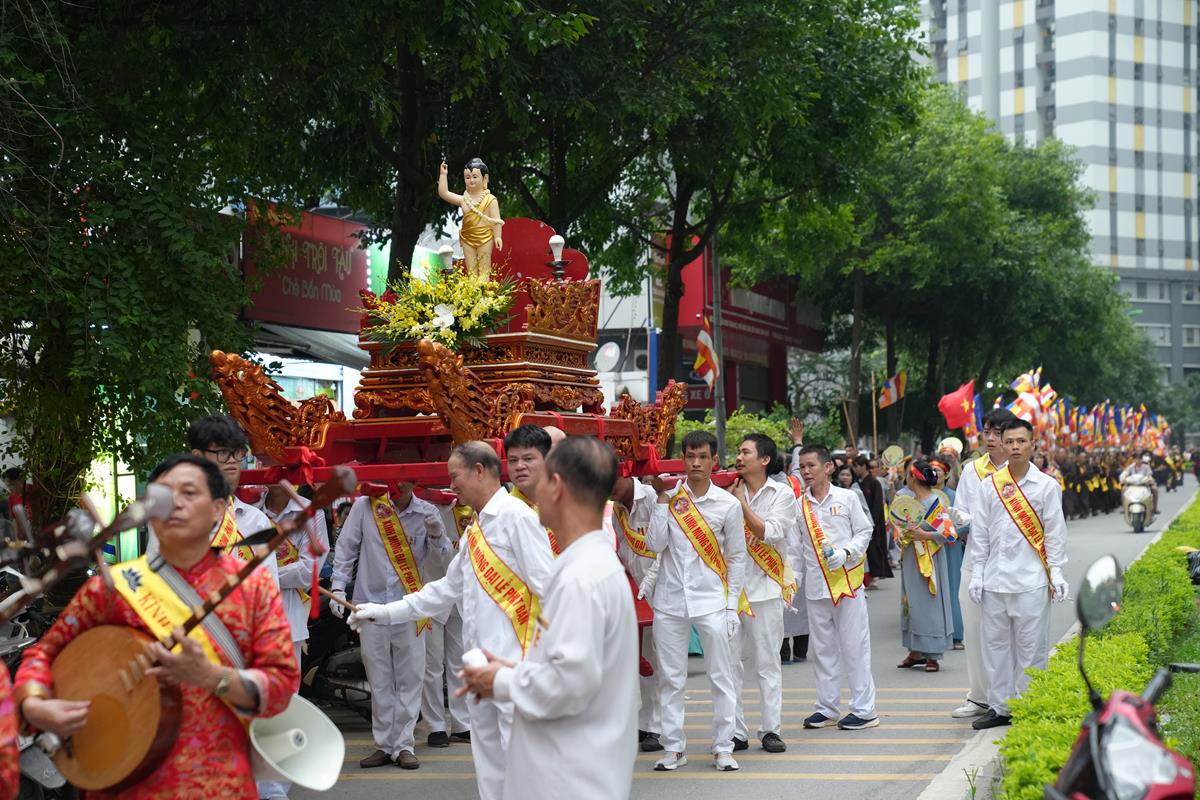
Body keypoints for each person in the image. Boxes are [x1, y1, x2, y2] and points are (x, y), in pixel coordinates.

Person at [16, 454, 299, 798]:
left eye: (189, 493)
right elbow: (43, 654)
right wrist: (34, 705)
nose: (173, 504)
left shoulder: (253, 589)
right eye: (162, 496)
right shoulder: (112, 588)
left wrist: (211, 676)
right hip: (121, 780)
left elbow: (281, 686)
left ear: (218, 509)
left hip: (219, 783)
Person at [347, 442, 555, 800]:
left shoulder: (517, 518)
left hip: (515, 665)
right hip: (478, 667)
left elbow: (550, 590)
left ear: (479, 471)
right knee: (489, 762)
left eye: (454, 476)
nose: (451, 485)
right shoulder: (476, 529)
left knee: (522, 763)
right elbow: (446, 589)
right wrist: (384, 612)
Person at [460, 436, 638, 800]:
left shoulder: (579, 578)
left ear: (556, 486)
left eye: (540, 476)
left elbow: (568, 683)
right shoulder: (590, 565)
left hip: (568, 779)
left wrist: (501, 680)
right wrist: (514, 669)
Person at [329, 481, 449, 770]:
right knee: (379, 677)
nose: (400, 483)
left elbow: (443, 564)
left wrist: (436, 534)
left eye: (406, 475)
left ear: (415, 479)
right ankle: (384, 745)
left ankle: (404, 745)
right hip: (369, 604)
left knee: (411, 677)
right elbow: (346, 547)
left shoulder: (426, 511)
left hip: (410, 606)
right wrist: (338, 587)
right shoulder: (365, 506)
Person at [646, 430, 747, 772]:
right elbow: (655, 544)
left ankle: (723, 746)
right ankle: (673, 747)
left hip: (712, 601)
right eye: (690, 456)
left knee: (721, 676)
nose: (696, 463)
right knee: (670, 678)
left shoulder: (728, 505)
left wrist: (732, 605)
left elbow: (737, 557)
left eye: (703, 456)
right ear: (683, 459)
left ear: (714, 460)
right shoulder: (670, 499)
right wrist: (661, 503)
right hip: (670, 601)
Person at [968, 418, 1069, 729]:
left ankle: (1028, 706)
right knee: (995, 647)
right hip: (995, 580)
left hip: (1031, 581)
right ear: (1002, 443)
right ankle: (1000, 708)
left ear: (1032, 445)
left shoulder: (1047, 486)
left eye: (1021, 441)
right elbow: (980, 533)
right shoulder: (990, 485)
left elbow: (1054, 532)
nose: (1014, 447)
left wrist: (1057, 571)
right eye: (1009, 441)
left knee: (1031, 649)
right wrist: (977, 572)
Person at [794, 444, 879, 730]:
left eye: (811, 465)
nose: (806, 471)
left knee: (855, 646)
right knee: (823, 650)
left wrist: (846, 553)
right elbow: (795, 548)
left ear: (828, 467)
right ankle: (827, 707)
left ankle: (864, 710)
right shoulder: (799, 506)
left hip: (847, 583)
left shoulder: (847, 498)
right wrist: (793, 580)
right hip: (816, 587)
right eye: (802, 466)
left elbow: (865, 530)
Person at [256, 483, 329, 800]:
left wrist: (265, 573)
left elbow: (309, 570)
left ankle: (274, 788)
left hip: (289, 623)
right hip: (247, 624)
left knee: (283, 708)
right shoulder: (248, 512)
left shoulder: (310, 514)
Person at [730, 434, 797, 754]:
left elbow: (769, 533)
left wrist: (740, 505)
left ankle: (771, 729)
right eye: (738, 452)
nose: (739, 457)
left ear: (765, 460)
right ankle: (735, 731)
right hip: (731, 591)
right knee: (729, 664)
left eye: (745, 452)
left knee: (767, 663)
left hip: (766, 588)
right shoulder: (725, 490)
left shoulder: (782, 494)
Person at [948, 407, 1016, 719]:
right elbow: (959, 509)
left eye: (997, 433)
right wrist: (968, 520)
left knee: (1008, 634)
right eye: (986, 431)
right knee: (974, 631)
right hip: (975, 561)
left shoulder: (1021, 472)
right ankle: (978, 696)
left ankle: (1009, 697)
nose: (990, 438)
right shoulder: (972, 470)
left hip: (1011, 564)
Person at [893, 460, 968, 673]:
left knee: (929, 604)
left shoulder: (934, 502)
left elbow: (950, 534)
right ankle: (915, 650)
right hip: (911, 557)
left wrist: (924, 535)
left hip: (930, 561)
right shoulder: (911, 501)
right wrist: (902, 536)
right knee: (911, 602)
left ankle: (933, 654)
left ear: (913, 477)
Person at [186, 415, 278, 579]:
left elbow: (270, 587)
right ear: (198, 457)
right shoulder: (176, 517)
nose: (232, 461)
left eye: (236, 452)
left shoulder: (257, 522)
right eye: (222, 452)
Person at [611, 473, 664, 752]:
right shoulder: (617, 508)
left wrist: (648, 583)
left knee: (664, 660)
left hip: (663, 589)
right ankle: (647, 718)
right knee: (644, 659)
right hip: (639, 595)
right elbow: (622, 550)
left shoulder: (652, 497)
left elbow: (665, 547)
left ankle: (660, 725)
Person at [420, 503, 471, 748]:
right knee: (431, 664)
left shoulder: (481, 507)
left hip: (461, 596)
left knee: (460, 662)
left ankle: (462, 724)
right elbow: (439, 559)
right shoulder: (429, 506)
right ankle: (436, 726)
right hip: (433, 590)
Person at [438, 157, 504, 279]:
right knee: (471, 272)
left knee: (484, 270)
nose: (471, 180)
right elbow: (444, 193)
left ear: (484, 178)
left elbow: (496, 221)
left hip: (485, 237)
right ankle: (472, 289)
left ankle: (483, 289)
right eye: (467, 177)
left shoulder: (490, 200)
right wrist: (443, 175)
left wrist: (498, 236)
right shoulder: (464, 200)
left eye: (475, 177)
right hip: (467, 238)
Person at [504, 425, 560, 555]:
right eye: (513, 460)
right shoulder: (502, 511)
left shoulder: (571, 503)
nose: (519, 466)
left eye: (528, 459)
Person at [853, 455, 893, 585]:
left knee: (875, 548)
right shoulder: (857, 483)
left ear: (864, 466)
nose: (855, 469)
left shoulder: (874, 482)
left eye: (857, 466)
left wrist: (872, 521)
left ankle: (875, 575)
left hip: (873, 521)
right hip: (861, 520)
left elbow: (877, 504)